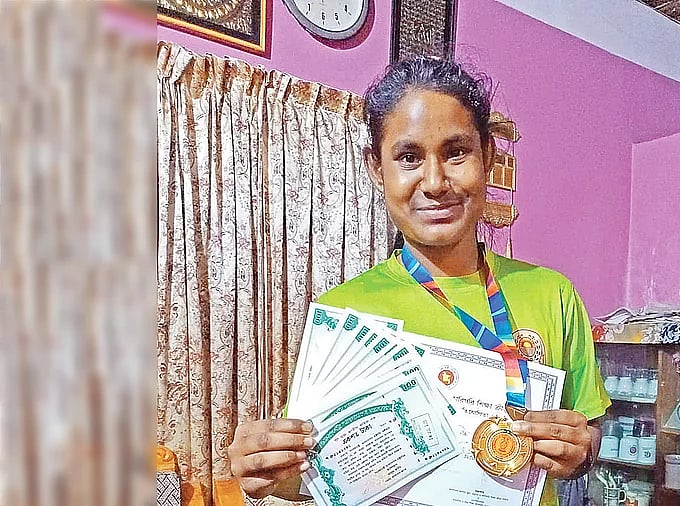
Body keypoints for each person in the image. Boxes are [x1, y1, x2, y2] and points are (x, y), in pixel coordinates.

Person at [227, 57, 611, 506]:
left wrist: (581, 453)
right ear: (377, 169)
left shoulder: (553, 294)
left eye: (456, 152)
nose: (434, 182)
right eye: (409, 157)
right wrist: (264, 468)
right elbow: (311, 475)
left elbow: (589, 431)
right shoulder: (344, 313)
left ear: (488, 156)